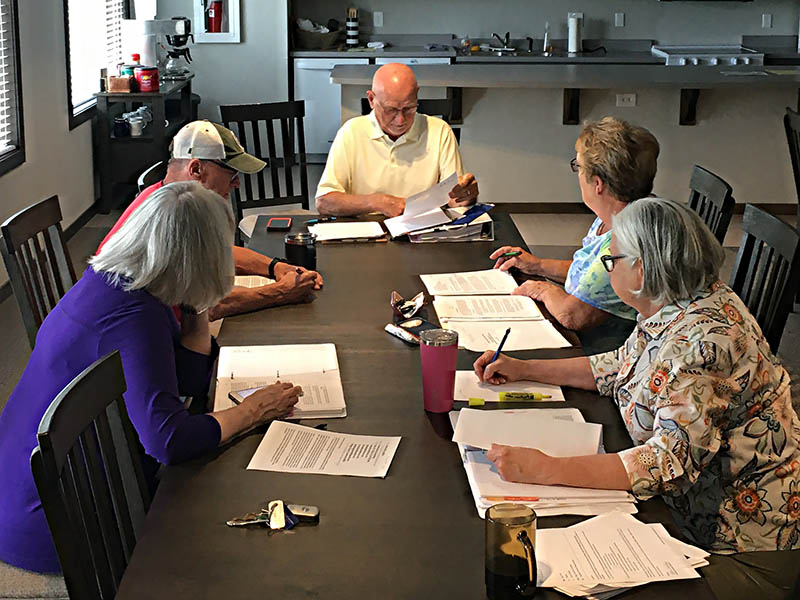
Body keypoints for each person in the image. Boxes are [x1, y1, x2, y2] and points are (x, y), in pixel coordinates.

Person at [0, 182, 304, 574]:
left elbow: (185, 382)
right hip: (53, 524)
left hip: (40, 486)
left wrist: (196, 304)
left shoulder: (121, 283)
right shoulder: (134, 318)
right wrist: (252, 411)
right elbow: (170, 442)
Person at [474, 198, 800, 559]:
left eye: (612, 259)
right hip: (690, 509)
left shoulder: (702, 344)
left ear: (641, 269)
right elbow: (622, 365)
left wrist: (545, 468)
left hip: (735, 539)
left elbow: (667, 465)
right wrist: (525, 369)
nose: (608, 268)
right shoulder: (674, 300)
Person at [97, 120, 323, 321]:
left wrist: (277, 267)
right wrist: (281, 292)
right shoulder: (171, 219)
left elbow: (217, 251)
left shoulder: (163, 196)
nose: (237, 184)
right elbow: (206, 306)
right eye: (231, 174)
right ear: (196, 168)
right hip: (132, 334)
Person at [490, 117, 659, 352]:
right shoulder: (614, 215)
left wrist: (542, 289)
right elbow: (589, 273)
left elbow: (573, 316)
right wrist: (538, 265)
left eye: (578, 167)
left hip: (604, 348)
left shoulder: (625, 239)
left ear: (598, 183)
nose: (577, 173)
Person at [315, 63, 479, 217]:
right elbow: (324, 202)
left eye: (409, 108)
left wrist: (466, 196)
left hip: (422, 228)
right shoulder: (352, 132)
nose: (400, 120)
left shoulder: (439, 131)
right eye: (390, 110)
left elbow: (453, 200)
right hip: (368, 229)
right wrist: (376, 202)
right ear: (371, 100)